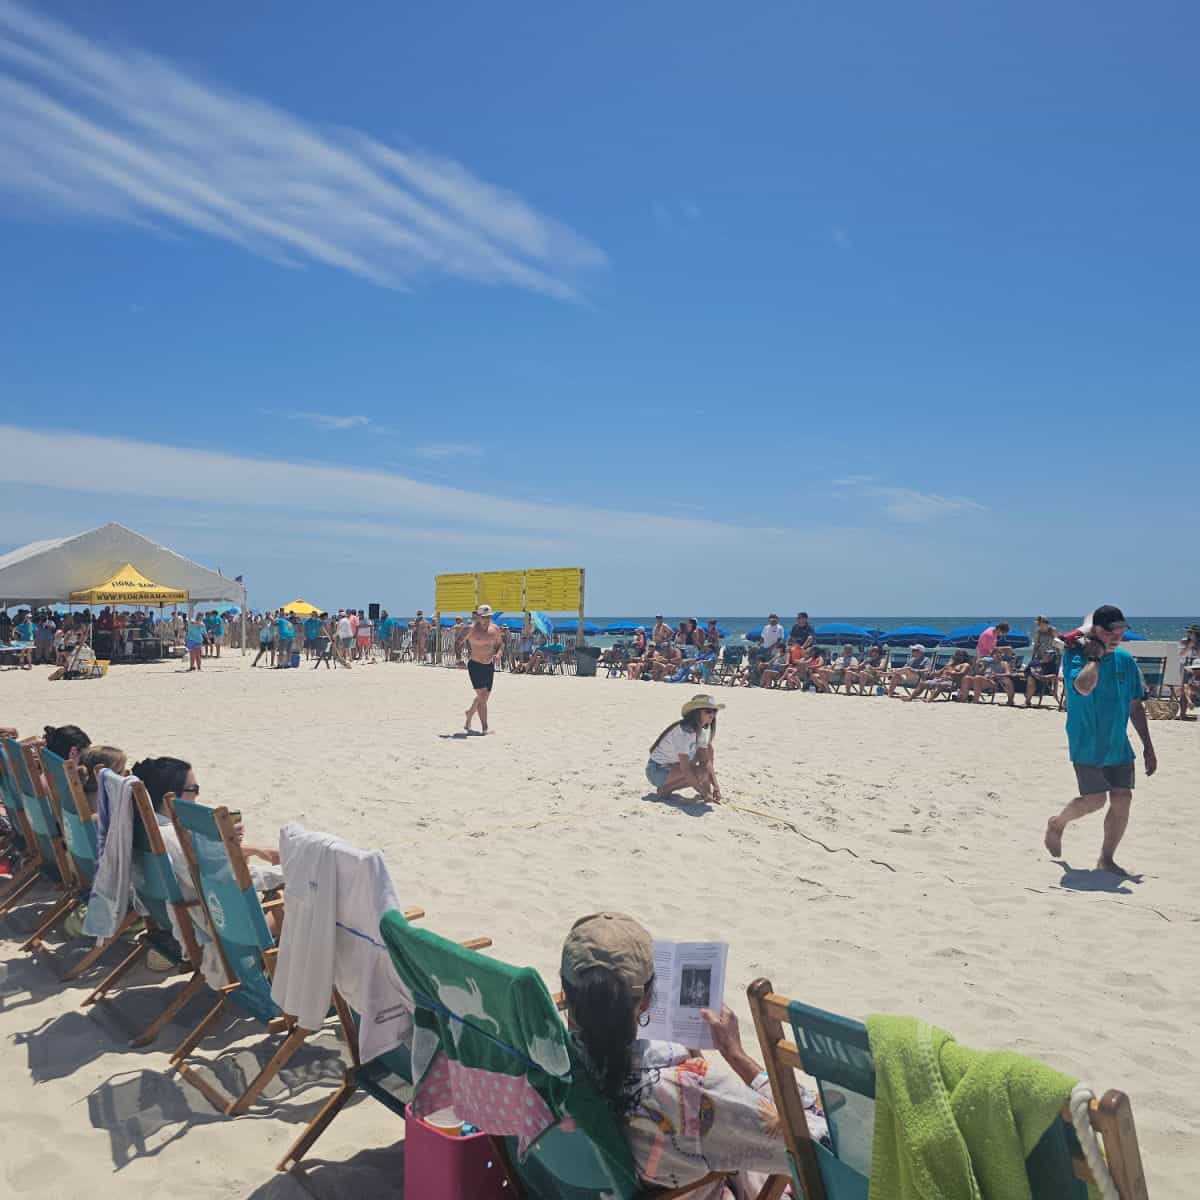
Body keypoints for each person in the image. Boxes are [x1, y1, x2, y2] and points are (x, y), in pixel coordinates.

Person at [560, 912, 813, 1196]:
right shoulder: (687, 1090)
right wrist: (737, 1056)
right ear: (645, 1001)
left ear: (564, 992)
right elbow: (812, 1143)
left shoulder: (545, 1060)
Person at [1044, 606, 1156, 875]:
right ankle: (1057, 823)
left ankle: (1106, 858)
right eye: (1110, 630)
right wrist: (1094, 659)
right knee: (1095, 800)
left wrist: (1148, 747)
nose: (1117, 634)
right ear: (1095, 631)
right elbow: (1082, 687)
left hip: (1118, 743)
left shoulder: (1126, 661)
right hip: (1087, 740)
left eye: (1121, 629)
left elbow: (1135, 705)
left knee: (1122, 798)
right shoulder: (1074, 656)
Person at [645, 694, 722, 802]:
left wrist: (716, 787)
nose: (712, 714)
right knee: (701, 772)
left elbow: (706, 761)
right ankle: (666, 789)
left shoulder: (700, 732)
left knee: (708, 750)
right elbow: (686, 770)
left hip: (673, 766)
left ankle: (707, 788)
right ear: (696, 712)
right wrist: (703, 793)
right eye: (708, 711)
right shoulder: (684, 732)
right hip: (657, 770)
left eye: (714, 711)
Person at [463, 605, 503, 734]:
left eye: (489, 617)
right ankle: (485, 728)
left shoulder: (495, 629)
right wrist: (458, 658)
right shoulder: (471, 629)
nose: (486, 619)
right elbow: (458, 641)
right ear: (478, 617)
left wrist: (498, 654)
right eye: (484, 617)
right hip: (475, 665)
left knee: (483, 697)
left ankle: (469, 714)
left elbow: (500, 644)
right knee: (482, 696)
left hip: (489, 666)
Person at [906, 649, 970, 702]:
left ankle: (929, 699)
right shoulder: (949, 664)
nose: (958, 657)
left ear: (964, 657)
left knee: (940, 685)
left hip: (952, 683)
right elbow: (939, 672)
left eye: (960, 655)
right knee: (922, 683)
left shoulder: (965, 664)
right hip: (939, 680)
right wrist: (932, 673)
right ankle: (910, 698)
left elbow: (962, 673)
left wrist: (952, 673)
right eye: (956, 655)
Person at [1024, 616, 1061, 707]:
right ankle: (1028, 699)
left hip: (1052, 657)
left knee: (1054, 677)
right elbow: (1036, 645)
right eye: (1038, 624)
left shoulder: (1053, 630)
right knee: (1031, 672)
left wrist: (1058, 657)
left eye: (1039, 624)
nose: (1039, 625)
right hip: (1040, 657)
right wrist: (1033, 658)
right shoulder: (1038, 632)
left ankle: (1055, 695)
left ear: (1045, 623)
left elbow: (1059, 644)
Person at [1176, 625, 1200, 720]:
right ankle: (1183, 713)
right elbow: (1181, 654)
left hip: (1197, 665)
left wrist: (1197, 646)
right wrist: (1189, 646)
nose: (1189, 634)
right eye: (1189, 632)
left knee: (1191, 688)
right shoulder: (1184, 641)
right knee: (1184, 688)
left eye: (1191, 633)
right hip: (1187, 665)